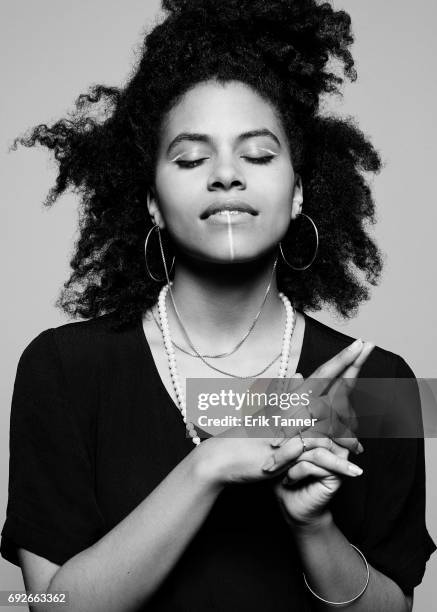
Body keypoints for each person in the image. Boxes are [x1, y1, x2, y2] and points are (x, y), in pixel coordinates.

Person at [1, 1, 435, 610]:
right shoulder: (63, 370)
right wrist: (209, 466)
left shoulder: (375, 381)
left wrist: (314, 528)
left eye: (258, 155)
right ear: (152, 200)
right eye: (191, 157)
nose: (226, 175)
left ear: (298, 191)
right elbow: (48, 606)